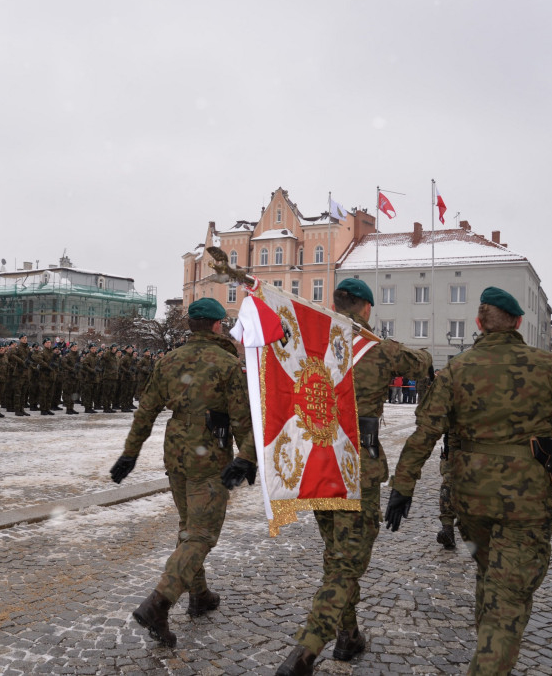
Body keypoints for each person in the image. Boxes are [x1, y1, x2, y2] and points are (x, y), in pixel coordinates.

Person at [385, 287, 552, 675]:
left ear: (478, 323)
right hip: (525, 500)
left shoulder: (458, 369)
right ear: (518, 322)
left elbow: (424, 432)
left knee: (489, 575)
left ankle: (487, 648)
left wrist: (402, 487)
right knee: (507, 598)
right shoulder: (547, 366)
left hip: (471, 499)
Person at [277, 278, 432, 676]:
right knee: (346, 564)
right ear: (364, 308)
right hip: (355, 468)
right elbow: (421, 363)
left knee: (336, 555)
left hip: (316, 463)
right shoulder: (373, 347)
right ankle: (307, 651)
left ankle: (348, 635)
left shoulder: (310, 343)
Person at [109, 297, 256, 648]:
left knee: (189, 527)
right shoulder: (227, 363)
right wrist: (245, 457)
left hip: (176, 453)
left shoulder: (169, 361)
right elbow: (242, 420)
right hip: (209, 456)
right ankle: (159, 601)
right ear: (219, 325)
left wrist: (130, 454)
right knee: (201, 535)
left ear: (191, 325)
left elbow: (145, 410)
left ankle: (200, 595)